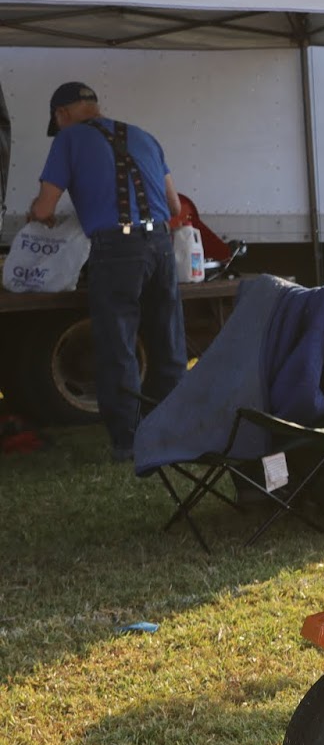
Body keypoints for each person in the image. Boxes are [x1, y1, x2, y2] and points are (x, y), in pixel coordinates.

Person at [27, 82, 188, 461]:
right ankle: (174, 432)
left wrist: (37, 214)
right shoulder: (144, 136)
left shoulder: (68, 140)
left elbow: (45, 208)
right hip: (161, 247)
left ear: (61, 115)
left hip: (117, 251)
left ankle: (128, 442)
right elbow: (175, 204)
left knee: (117, 346)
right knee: (168, 344)